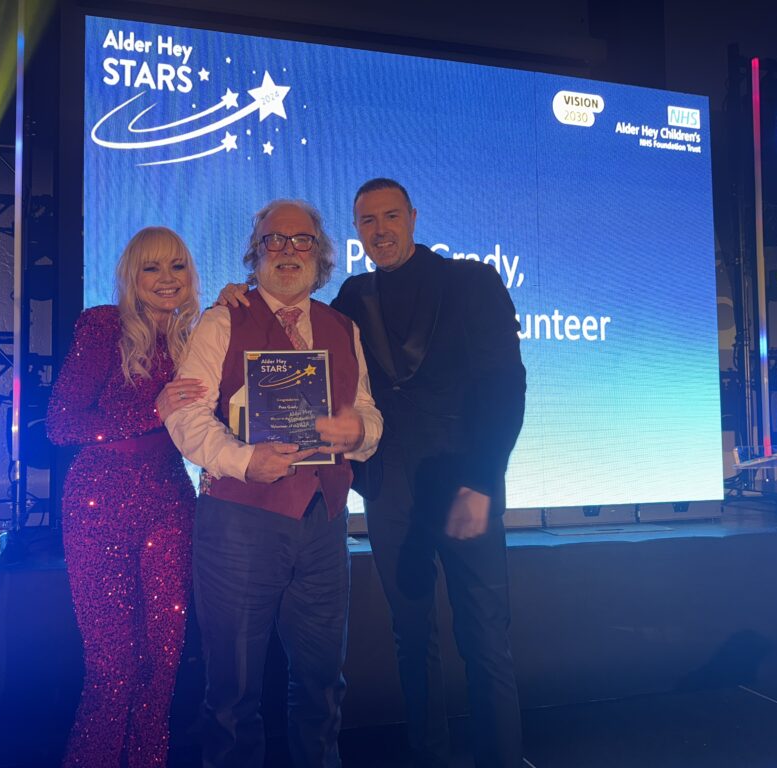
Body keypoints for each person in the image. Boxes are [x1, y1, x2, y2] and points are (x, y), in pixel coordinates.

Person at [220, 179, 526, 768]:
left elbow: (506, 389)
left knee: (486, 639)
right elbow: (292, 319)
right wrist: (243, 293)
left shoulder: (473, 282)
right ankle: (426, 755)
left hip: (467, 485)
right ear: (356, 230)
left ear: (413, 216)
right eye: (366, 221)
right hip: (391, 493)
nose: (380, 230)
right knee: (412, 639)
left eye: (390, 216)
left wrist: (482, 483)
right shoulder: (353, 299)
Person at [164, 199, 383, 768]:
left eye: (302, 240)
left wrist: (358, 430)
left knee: (321, 684)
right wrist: (241, 459)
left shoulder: (343, 327)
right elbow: (185, 414)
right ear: (255, 251)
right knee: (232, 694)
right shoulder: (221, 321)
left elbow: (368, 413)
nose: (288, 250)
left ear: (322, 253)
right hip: (239, 521)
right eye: (274, 240)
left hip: (324, 523)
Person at [47, 226, 206, 768]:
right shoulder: (102, 327)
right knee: (112, 670)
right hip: (98, 505)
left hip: (170, 502)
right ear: (131, 278)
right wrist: (153, 408)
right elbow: (61, 425)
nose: (167, 279)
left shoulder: (200, 334)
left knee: (163, 666)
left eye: (177, 266)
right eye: (152, 268)